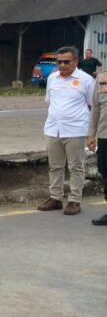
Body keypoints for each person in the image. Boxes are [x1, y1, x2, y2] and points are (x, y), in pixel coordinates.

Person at [38, 45, 95, 216]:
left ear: (75, 61)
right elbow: (50, 101)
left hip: (76, 130)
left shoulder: (86, 80)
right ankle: (55, 197)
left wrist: (92, 133)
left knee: (76, 167)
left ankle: (74, 200)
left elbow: (93, 106)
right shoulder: (52, 78)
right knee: (54, 166)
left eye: (66, 62)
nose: (62, 65)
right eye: (59, 62)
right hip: (53, 129)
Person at [89, 66, 107, 226]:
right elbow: (95, 109)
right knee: (104, 169)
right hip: (104, 135)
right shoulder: (102, 78)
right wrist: (91, 134)